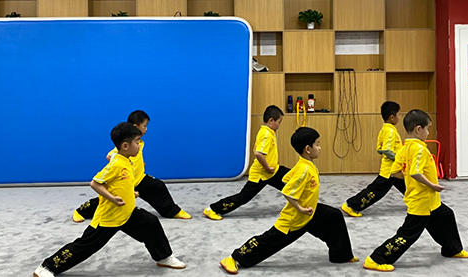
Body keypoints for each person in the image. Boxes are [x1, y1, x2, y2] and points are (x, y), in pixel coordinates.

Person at [33, 123, 186, 277]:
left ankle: (163, 257)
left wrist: (130, 193)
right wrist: (112, 198)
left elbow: (120, 183)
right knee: (85, 245)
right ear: (125, 146)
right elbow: (95, 183)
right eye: (137, 142)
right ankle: (47, 267)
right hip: (109, 217)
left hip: (126, 213)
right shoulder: (116, 164)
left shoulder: (128, 161)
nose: (139, 145)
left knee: (151, 223)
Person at [219, 127, 358, 274]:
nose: (320, 147)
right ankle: (234, 258)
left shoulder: (305, 165)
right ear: (308, 149)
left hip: (310, 212)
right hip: (296, 218)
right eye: (317, 144)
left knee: (334, 215)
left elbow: (286, 178)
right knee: (269, 241)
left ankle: (341, 255)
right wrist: (300, 208)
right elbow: (288, 193)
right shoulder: (304, 169)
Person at [363, 110, 468, 272]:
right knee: (408, 234)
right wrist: (432, 185)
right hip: (421, 201)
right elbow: (415, 172)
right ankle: (376, 258)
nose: (428, 133)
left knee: (446, 215)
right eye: (428, 129)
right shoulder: (419, 149)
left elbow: (395, 173)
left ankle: (452, 249)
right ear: (418, 129)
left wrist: (409, 177)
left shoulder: (403, 149)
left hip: (431, 201)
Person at [73, 110, 191, 223]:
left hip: (139, 178)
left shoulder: (139, 142)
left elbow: (136, 156)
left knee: (158, 186)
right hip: (126, 180)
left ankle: (172, 211)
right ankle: (81, 211)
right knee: (109, 200)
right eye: (144, 126)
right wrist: (121, 166)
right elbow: (109, 156)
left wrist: (139, 164)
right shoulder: (126, 143)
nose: (146, 129)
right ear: (135, 127)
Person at [204, 105, 288, 220]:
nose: (279, 125)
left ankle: (300, 205)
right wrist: (267, 168)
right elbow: (258, 153)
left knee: (291, 181)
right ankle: (213, 209)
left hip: (273, 171)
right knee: (243, 198)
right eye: (279, 122)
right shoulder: (266, 134)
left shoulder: (269, 131)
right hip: (261, 174)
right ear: (271, 121)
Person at [342, 101, 406, 217]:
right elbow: (386, 150)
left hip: (395, 170)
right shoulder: (390, 131)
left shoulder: (384, 130)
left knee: (407, 185)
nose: (400, 116)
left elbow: (379, 149)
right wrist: (399, 159)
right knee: (375, 191)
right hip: (390, 171)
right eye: (399, 114)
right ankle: (351, 206)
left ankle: (419, 202)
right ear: (392, 117)